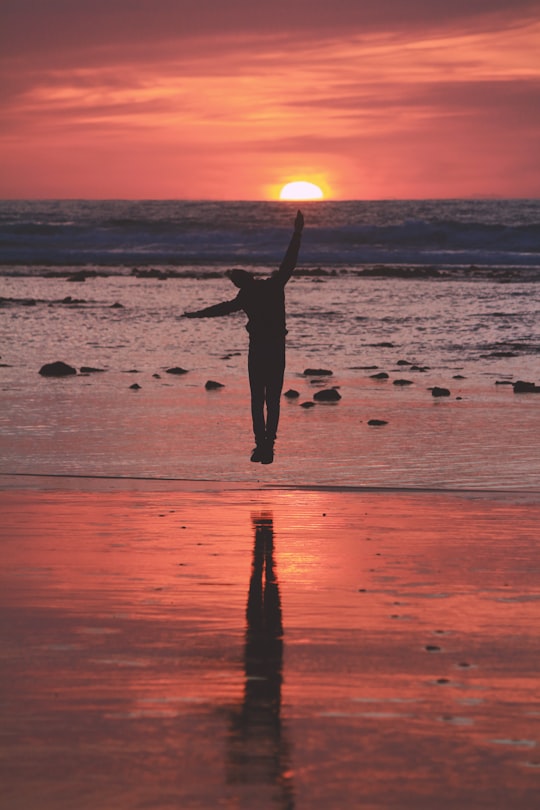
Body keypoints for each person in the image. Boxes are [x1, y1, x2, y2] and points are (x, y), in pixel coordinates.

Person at [184, 210, 304, 464]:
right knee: (271, 400)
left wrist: (197, 314)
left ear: (241, 283)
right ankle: (266, 445)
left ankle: (263, 445)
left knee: (259, 400)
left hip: (261, 351)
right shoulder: (272, 286)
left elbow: (222, 308)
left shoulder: (252, 293)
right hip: (273, 350)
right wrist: (297, 233)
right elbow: (289, 263)